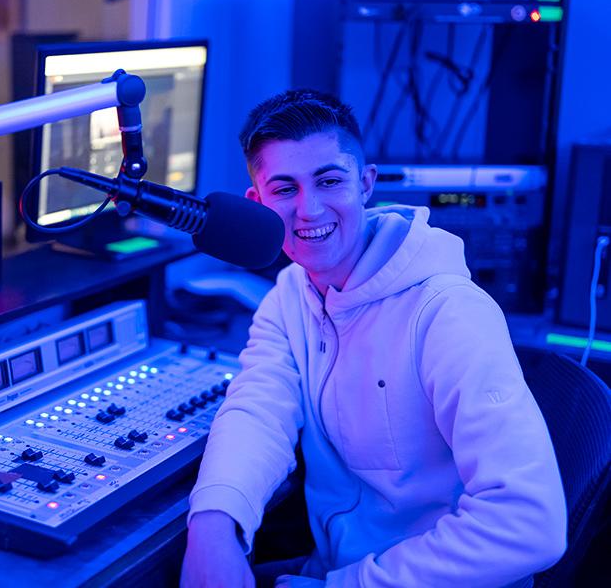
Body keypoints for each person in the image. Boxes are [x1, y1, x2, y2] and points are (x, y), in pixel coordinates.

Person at [180, 89, 566, 588]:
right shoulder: (291, 293)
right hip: (335, 569)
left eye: (329, 181)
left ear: (365, 183)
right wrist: (214, 523)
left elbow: (529, 525)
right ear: (257, 203)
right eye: (285, 190)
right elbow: (258, 411)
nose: (309, 210)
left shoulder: (449, 312)